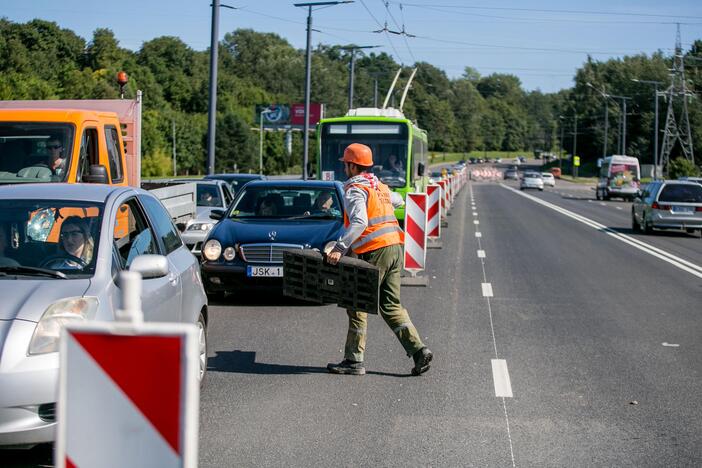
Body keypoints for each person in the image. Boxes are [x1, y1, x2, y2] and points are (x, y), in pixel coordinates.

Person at [326, 143, 432, 376]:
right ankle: (419, 350)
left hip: (374, 251)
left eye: (346, 164)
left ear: (353, 165)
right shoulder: (379, 186)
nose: (345, 168)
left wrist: (339, 247)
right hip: (395, 248)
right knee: (391, 305)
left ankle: (354, 361)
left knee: (357, 304)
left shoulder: (355, 189)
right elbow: (398, 201)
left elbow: (360, 222)